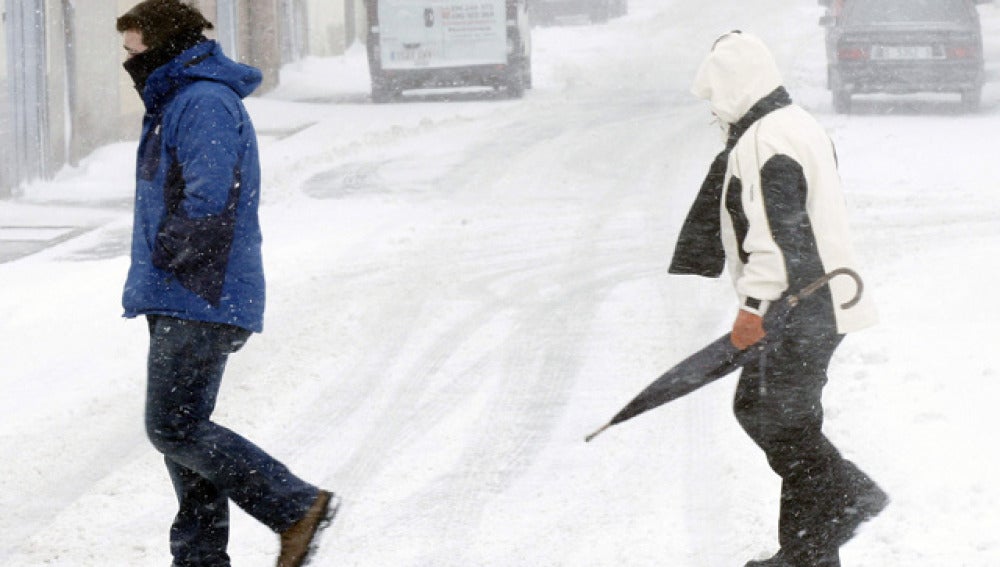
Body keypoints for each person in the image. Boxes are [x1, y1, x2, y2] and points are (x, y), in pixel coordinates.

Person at [117, 1, 338, 565]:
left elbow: (210, 202)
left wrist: (168, 256)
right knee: (189, 436)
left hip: (199, 290)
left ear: (164, 46)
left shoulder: (203, 103)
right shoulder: (180, 100)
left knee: (173, 427)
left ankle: (294, 507)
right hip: (183, 291)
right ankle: (200, 557)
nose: (129, 62)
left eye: (133, 50)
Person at [669, 31, 888, 567]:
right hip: (824, 300)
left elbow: (776, 237)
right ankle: (809, 553)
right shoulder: (797, 123)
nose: (714, 107)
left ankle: (847, 499)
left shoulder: (763, 142)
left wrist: (752, 310)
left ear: (734, 87)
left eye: (716, 94)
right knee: (787, 422)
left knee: (771, 417)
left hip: (799, 307)